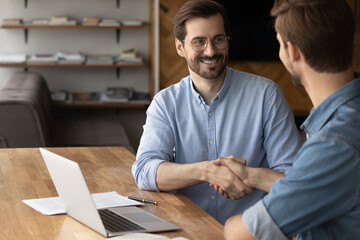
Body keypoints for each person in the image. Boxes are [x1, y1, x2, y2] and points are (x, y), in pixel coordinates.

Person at [132, 0, 301, 225]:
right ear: (180, 47)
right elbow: (144, 171)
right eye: (199, 42)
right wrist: (206, 171)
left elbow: (291, 179)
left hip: (250, 232)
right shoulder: (165, 103)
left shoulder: (266, 95)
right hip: (187, 231)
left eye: (218, 39)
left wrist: (250, 176)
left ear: (228, 43)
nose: (210, 51)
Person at [221, 0, 360, 239]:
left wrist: (231, 221)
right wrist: (253, 176)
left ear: (293, 51)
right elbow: (318, 188)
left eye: (278, 43)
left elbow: (243, 234)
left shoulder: (333, 143)